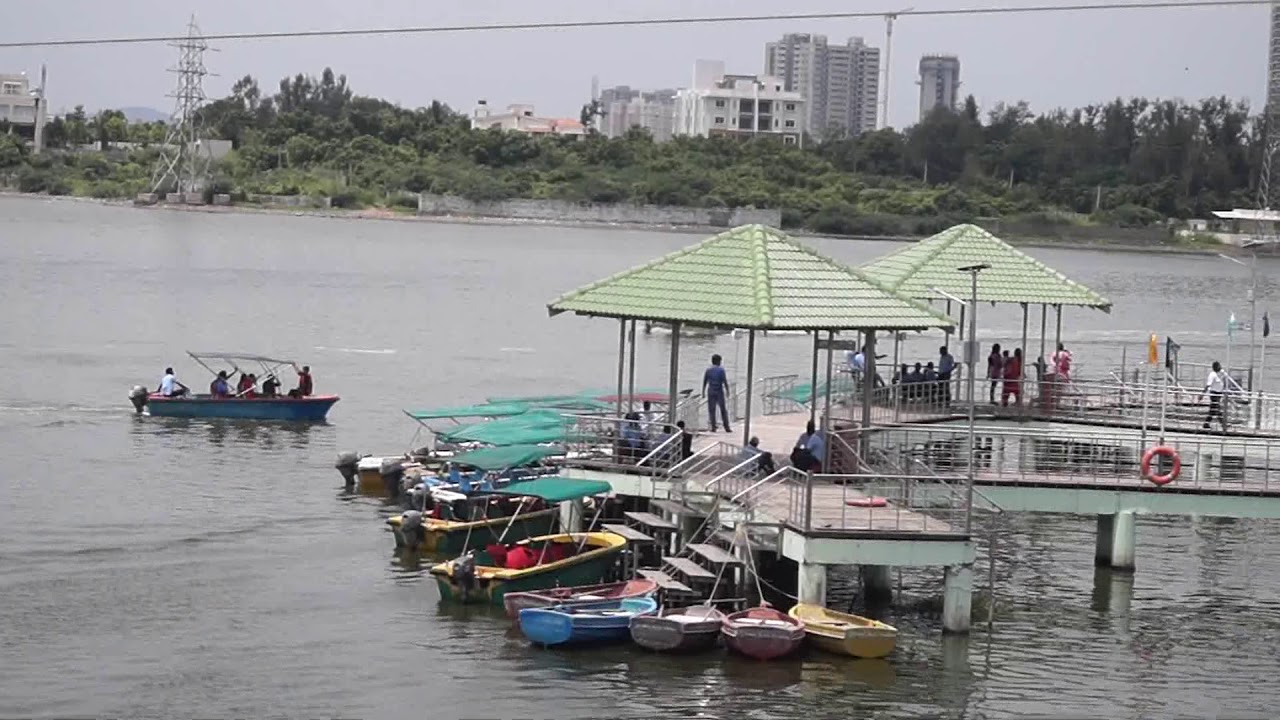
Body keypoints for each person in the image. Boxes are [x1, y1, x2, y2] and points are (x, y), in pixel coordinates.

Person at [702, 354, 731, 433]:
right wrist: (728, 391)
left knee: (712, 410)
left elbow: (705, 381)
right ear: (718, 361)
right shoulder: (721, 370)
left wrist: (703, 392)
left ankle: (713, 426)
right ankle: (726, 426)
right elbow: (724, 381)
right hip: (719, 391)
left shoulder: (708, 370)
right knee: (723, 409)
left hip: (711, 390)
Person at [1202, 360, 1228, 431]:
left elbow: (1225, 377)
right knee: (1217, 408)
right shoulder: (1212, 374)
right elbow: (1208, 385)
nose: (1220, 367)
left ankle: (1206, 423)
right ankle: (1223, 424)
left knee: (1213, 410)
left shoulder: (1221, 373)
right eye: (1218, 366)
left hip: (1219, 393)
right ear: (1215, 367)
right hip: (1214, 393)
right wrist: (1202, 394)